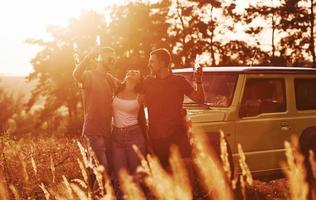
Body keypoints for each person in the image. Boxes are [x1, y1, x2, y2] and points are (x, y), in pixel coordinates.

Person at [142, 48, 205, 169]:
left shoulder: (179, 81)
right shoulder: (147, 82)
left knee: (180, 174)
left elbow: (199, 99)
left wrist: (198, 80)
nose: (148, 65)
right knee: (163, 177)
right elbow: (136, 102)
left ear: (162, 63)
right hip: (155, 139)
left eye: (152, 62)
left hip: (176, 136)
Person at [72, 46, 120, 188]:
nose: (113, 60)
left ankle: (92, 195)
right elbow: (76, 74)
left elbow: (125, 87)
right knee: (102, 169)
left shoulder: (109, 78)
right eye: (109, 58)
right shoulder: (89, 75)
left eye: (114, 58)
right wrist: (88, 55)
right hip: (93, 132)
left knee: (97, 171)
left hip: (107, 132)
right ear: (99, 58)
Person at [111, 69, 147, 198]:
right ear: (125, 76)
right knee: (121, 176)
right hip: (116, 138)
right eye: (130, 71)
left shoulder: (141, 95)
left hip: (135, 136)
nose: (132, 72)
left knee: (135, 177)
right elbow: (105, 74)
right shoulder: (116, 89)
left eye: (136, 72)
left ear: (140, 79)